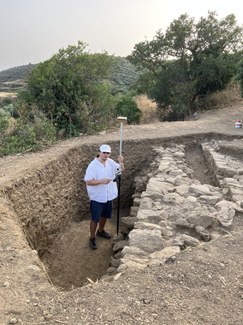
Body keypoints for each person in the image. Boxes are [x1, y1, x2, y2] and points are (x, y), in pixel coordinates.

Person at [84, 144, 125, 250]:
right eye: (104, 152)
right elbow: (88, 181)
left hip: (108, 195)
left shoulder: (110, 162)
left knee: (105, 215)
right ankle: (92, 237)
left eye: (108, 153)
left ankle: (100, 231)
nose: (106, 155)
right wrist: (102, 181)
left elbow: (121, 171)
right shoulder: (93, 165)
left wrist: (121, 162)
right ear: (99, 152)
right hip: (97, 197)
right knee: (95, 218)